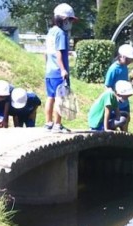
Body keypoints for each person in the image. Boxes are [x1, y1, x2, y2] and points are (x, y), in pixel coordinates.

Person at [44, 3, 78, 133]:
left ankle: (48, 123)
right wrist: (63, 70)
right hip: (59, 72)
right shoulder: (62, 34)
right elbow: (59, 53)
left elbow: (47, 53)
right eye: (70, 20)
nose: (71, 23)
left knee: (50, 97)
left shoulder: (51, 32)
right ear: (64, 19)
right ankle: (57, 125)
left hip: (50, 72)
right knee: (60, 98)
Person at [104, 44, 133, 129]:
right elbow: (107, 87)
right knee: (116, 122)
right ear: (121, 56)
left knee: (126, 120)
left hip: (125, 101)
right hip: (116, 103)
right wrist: (116, 97)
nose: (130, 61)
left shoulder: (125, 67)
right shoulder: (113, 69)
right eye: (128, 59)